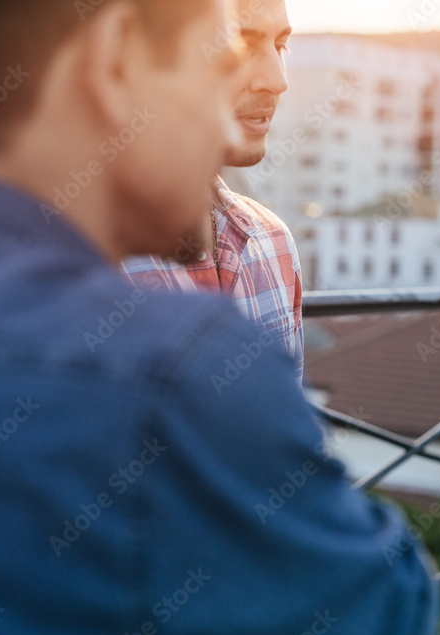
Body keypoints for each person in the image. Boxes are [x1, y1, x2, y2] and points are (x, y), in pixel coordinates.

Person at [0, 1, 439, 635]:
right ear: (111, 65)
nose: (236, 101)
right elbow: (384, 620)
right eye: (217, 58)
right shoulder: (176, 366)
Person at [123, 0, 304, 379]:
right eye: (241, 42)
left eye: (281, 45)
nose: (277, 80)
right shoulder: (80, 261)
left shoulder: (273, 243)